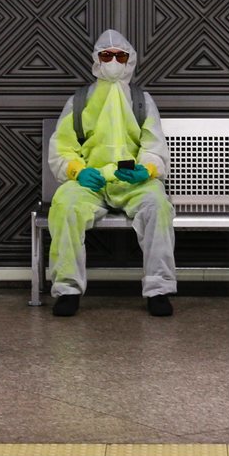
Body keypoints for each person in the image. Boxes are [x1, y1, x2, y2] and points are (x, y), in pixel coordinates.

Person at [46, 29, 176, 317]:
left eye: (120, 55)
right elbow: (62, 147)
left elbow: (154, 143)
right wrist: (77, 171)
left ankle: (159, 290)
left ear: (130, 60)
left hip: (132, 181)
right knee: (65, 205)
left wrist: (147, 169)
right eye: (107, 55)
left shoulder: (142, 100)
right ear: (96, 60)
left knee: (157, 206)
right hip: (90, 180)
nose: (113, 60)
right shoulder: (80, 101)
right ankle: (67, 290)